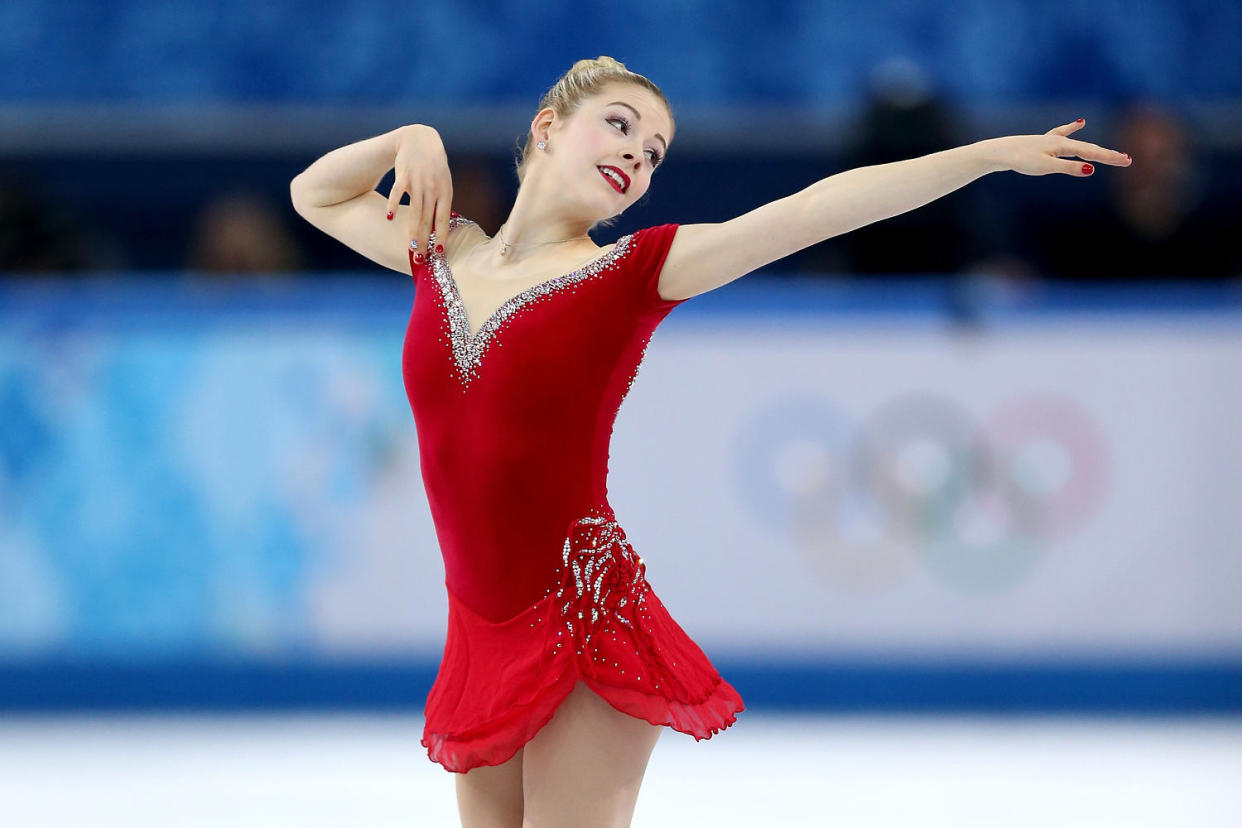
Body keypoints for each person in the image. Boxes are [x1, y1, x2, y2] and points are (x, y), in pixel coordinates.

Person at [290, 55, 1130, 828]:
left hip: (585, 626)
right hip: (480, 626)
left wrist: (975, 157)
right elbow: (314, 194)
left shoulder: (635, 271)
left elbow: (812, 211)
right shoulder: (438, 250)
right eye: (620, 126)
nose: (638, 158)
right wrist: (412, 137)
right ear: (547, 126)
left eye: (655, 153)